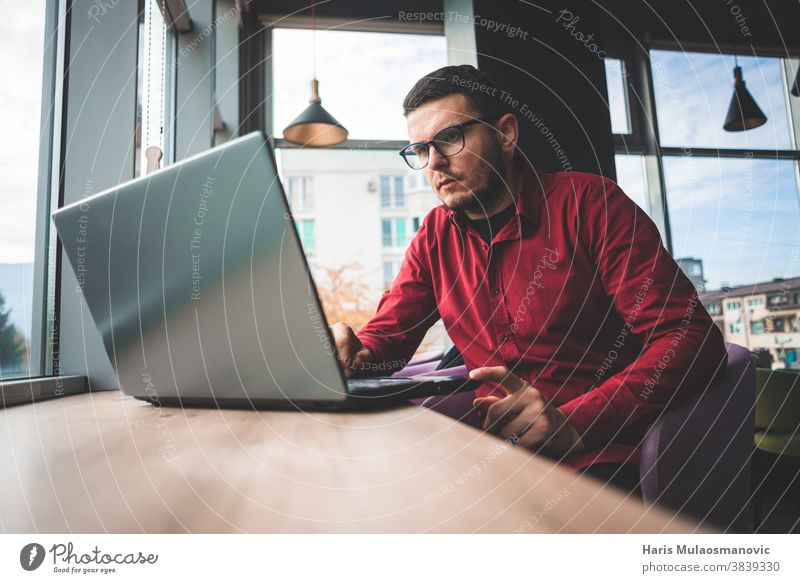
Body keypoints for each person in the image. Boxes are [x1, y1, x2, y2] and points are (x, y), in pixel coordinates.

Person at [330, 64, 727, 495]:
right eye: (420, 150)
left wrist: (574, 422)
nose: (435, 162)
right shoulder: (434, 236)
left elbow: (690, 338)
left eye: (448, 139)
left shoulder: (590, 204)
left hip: (600, 458)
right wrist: (352, 354)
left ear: (505, 134)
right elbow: (388, 341)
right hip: (493, 459)